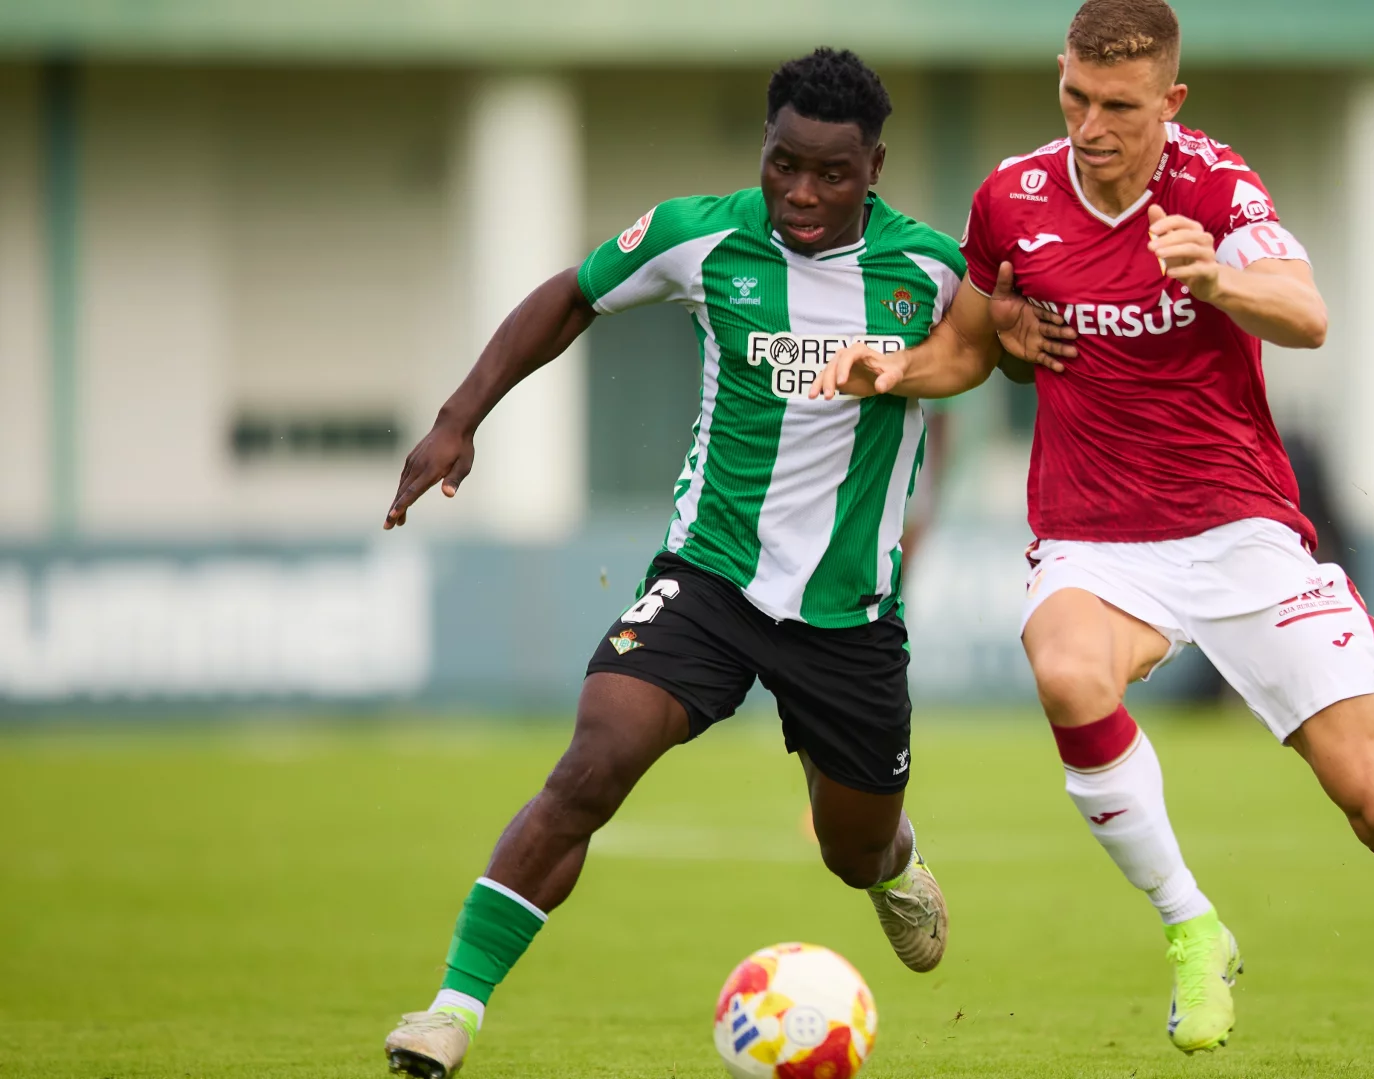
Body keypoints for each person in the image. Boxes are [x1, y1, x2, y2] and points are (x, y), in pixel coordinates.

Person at [812, 3, 1374, 1074]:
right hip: (1094, 532)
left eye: (1119, 104)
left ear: (1172, 101)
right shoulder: (1012, 200)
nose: (1091, 123)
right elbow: (971, 348)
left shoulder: (1216, 188)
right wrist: (892, 366)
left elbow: (1306, 313)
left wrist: (1216, 279)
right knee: (1066, 671)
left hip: (1243, 527)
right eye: (1074, 94)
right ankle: (1192, 924)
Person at [377, 49, 1054, 1079]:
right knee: (592, 761)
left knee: (851, 849)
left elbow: (993, 351)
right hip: (711, 576)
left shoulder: (927, 270)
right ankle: (450, 1007)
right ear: (764, 150)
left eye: (832, 173)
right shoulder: (702, 233)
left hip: (848, 612)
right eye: (785, 164)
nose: (803, 193)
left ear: (875, 164)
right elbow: (569, 296)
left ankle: (895, 859)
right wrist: (457, 419)